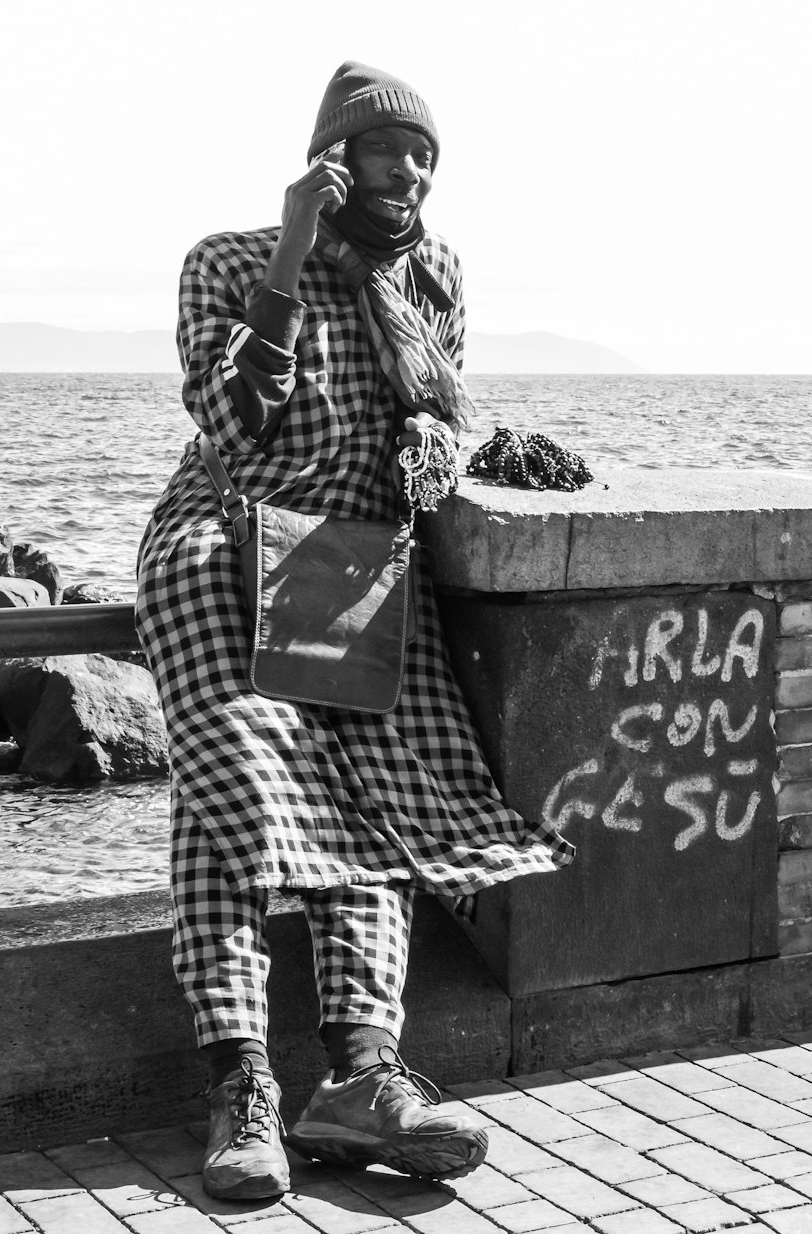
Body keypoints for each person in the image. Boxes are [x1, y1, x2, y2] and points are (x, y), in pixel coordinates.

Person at [135, 61, 573, 1201]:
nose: (411, 171)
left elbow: (429, 418)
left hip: (351, 560)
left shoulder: (434, 274)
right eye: (388, 150)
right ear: (334, 154)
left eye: (425, 154)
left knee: (374, 807)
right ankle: (242, 1085)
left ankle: (361, 1079)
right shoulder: (226, 259)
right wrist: (291, 246)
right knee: (232, 779)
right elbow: (232, 413)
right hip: (223, 545)